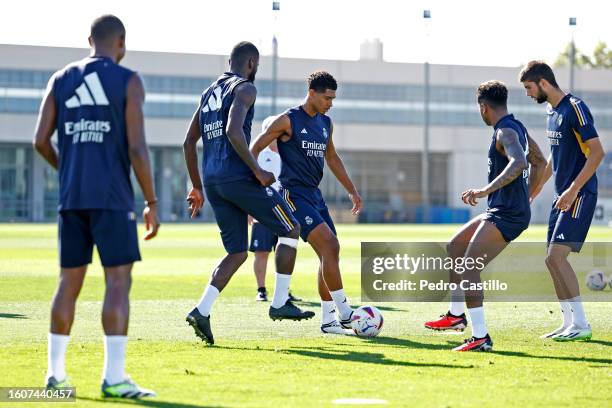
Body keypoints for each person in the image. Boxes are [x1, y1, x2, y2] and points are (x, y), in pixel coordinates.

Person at [33, 15, 159, 397]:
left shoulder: (61, 78)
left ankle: (55, 377)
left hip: (72, 199)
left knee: (68, 283)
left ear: (90, 40)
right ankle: (114, 378)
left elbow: (40, 140)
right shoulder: (128, 80)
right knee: (118, 282)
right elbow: (137, 147)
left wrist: (68, 169)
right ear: (121, 42)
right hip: (112, 199)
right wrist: (152, 200)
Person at [183, 42, 314, 346]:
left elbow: (189, 143)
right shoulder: (244, 89)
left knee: (238, 251)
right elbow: (233, 131)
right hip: (238, 178)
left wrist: (197, 186)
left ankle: (201, 311)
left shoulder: (208, 94)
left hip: (214, 182)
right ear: (252, 64)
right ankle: (280, 302)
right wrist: (257, 170)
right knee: (291, 226)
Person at [424, 80, 546, 351]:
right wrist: (528, 194)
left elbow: (521, 162)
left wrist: (485, 190)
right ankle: (456, 316)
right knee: (455, 246)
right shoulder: (518, 128)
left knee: (469, 267)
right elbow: (542, 162)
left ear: (483, 107)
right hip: (503, 210)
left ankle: (481, 337)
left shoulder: (505, 131)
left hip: (507, 215)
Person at [250, 71, 363, 335]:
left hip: (314, 195)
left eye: (333, 99)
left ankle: (329, 321)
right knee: (330, 244)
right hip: (293, 194)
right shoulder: (287, 120)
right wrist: (257, 179)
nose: (330, 103)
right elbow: (254, 148)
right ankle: (345, 312)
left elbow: (332, 158)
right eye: (326, 98)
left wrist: (352, 190)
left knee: (330, 253)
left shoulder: (326, 123)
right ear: (311, 92)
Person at [521, 61, 605, 341]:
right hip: (562, 197)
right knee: (550, 261)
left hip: (579, 195)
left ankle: (582, 325)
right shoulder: (551, 112)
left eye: (529, 88)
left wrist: (571, 191)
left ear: (543, 83)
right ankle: (569, 323)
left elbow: (597, 153)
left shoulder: (575, 108)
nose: (528, 94)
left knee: (556, 257)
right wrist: (536, 188)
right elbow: (554, 158)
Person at [249, 116, 302, 303]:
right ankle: (261, 290)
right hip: (263, 210)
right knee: (261, 252)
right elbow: (252, 182)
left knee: (285, 248)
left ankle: (284, 290)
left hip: (285, 210)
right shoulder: (259, 154)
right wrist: (250, 209)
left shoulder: (289, 153)